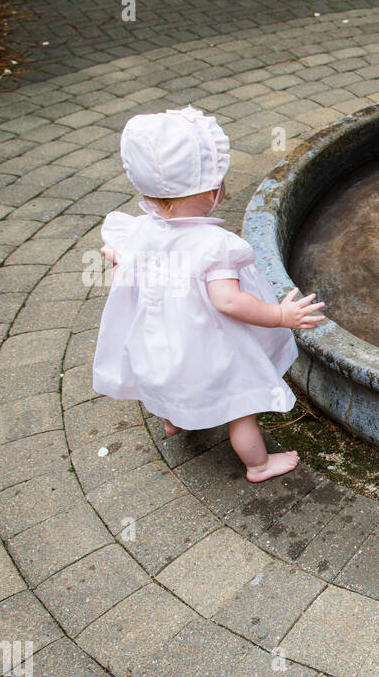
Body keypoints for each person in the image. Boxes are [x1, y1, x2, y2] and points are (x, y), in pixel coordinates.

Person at [92, 106, 324, 483]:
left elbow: (121, 258)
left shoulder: (142, 230)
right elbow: (228, 301)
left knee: (172, 381)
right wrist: (281, 316)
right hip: (210, 343)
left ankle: (174, 421)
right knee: (241, 405)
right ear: (211, 192)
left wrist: (118, 260)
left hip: (164, 338)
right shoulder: (215, 245)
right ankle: (259, 464)